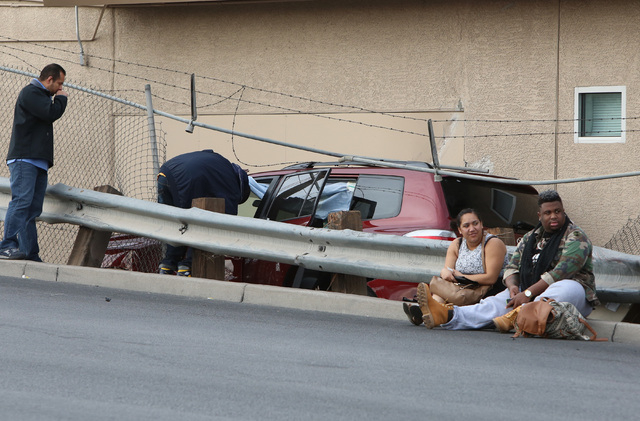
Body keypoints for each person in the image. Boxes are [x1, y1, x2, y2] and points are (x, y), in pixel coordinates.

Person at [416, 190, 599, 331]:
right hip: (529, 289)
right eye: (548, 212)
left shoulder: (575, 236)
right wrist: (513, 287)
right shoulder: (530, 238)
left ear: (563, 212)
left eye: (557, 211)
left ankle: (518, 315)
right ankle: (447, 315)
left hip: (573, 291)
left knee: (562, 288)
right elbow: (512, 267)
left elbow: (561, 272)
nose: (553, 216)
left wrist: (527, 293)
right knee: (496, 302)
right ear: (539, 215)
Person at [0, 64, 68, 261]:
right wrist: (61, 99)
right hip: (25, 159)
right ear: (49, 79)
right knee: (21, 201)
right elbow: (51, 113)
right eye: (59, 84)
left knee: (32, 209)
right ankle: (7, 245)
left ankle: (30, 253)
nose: (61, 88)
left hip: (38, 161)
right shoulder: (31, 92)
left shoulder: (42, 96)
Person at [403, 208, 508, 325]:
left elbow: (491, 278)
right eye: (466, 226)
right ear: (460, 230)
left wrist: (461, 276)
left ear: (481, 224)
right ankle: (429, 312)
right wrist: (445, 272)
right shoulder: (457, 244)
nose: (472, 229)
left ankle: (426, 313)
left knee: (447, 296)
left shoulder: (493, 243)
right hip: (463, 288)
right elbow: (448, 270)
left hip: (488, 291)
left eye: (475, 224)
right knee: (441, 291)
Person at [157, 149, 251, 276]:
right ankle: (187, 266)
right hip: (185, 178)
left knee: (176, 223)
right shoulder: (231, 183)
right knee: (197, 225)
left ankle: (168, 264)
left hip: (165, 173)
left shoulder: (221, 165)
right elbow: (226, 217)